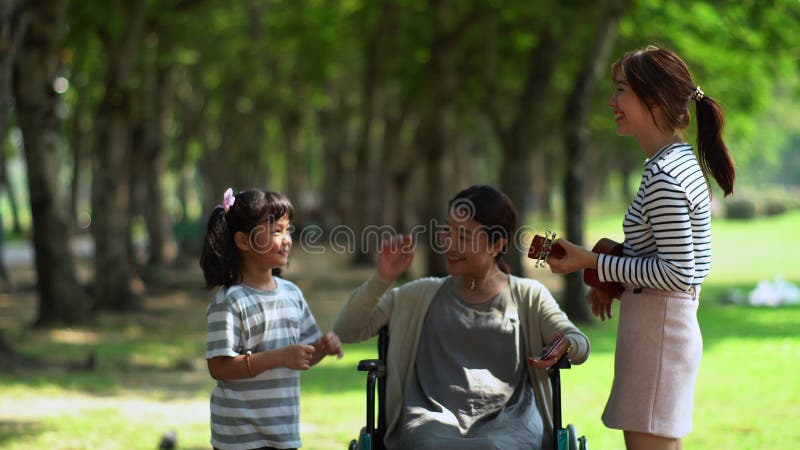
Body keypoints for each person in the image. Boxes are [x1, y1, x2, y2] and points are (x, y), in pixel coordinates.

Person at [546, 46, 736, 450]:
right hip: (657, 330)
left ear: (653, 100)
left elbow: (678, 272)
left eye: (621, 90)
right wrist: (608, 279)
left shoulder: (666, 176)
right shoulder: (673, 163)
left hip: (659, 336)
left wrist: (593, 261)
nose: (612, 102)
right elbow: (665, 258)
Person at [333, 184, 590, 450]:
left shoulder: (529, 295)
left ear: (497, 244)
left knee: (494, 447)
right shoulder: (418, 295)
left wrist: (565, 345)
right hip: (431, 421)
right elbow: (347, 330)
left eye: (464, 237)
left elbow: (578, 343)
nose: (449, 244)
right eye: (447, 231)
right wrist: (382, 279)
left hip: (510, 423)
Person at [200, 188, 343, 450]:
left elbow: (302, 356)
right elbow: (219, 367)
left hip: (283, 434)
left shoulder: (292, 294)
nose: (286, 239)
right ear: (243, 241)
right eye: (276, 231)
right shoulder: (230, 300)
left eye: (288, 230)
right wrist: (279, 356)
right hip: (239, 438)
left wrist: (322, 347)